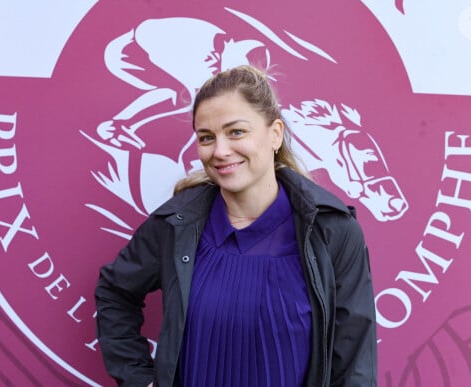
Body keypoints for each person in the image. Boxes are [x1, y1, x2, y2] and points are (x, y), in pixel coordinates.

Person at [95, 65, 377, 387]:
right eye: (206, 137)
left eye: (236, 132)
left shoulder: (332, 230)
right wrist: (139, 380)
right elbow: (115, 292)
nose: (220, 151)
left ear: (275, 134)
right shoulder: (176, 225)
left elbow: (354, 364)